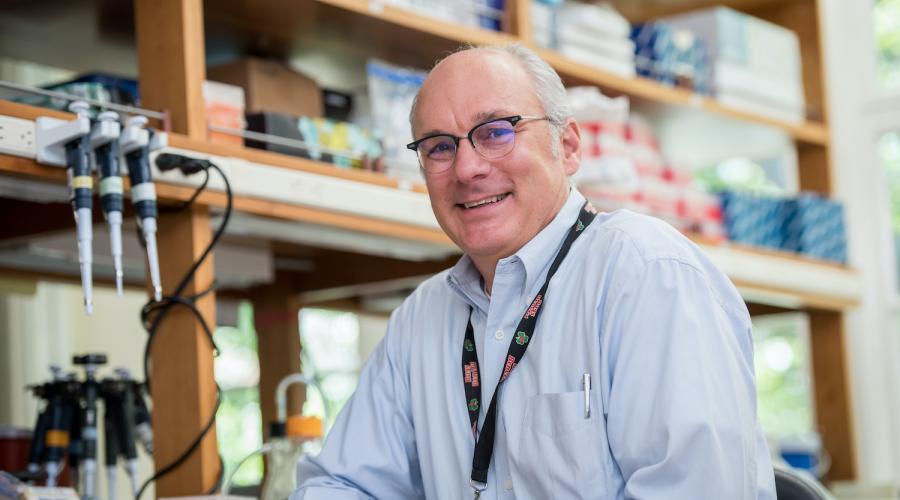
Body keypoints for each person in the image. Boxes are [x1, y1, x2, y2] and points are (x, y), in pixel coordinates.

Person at [294, 44, 776, 499]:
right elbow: (341, 482)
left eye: (496, 132)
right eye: (439, 147)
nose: (466, 168)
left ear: (566, 147)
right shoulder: (421, 318)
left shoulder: (646, 274)